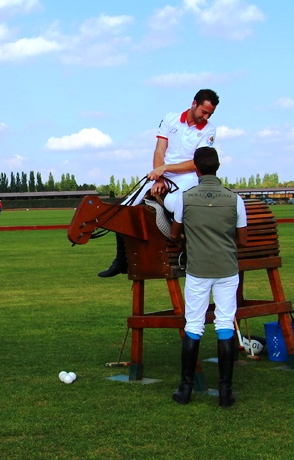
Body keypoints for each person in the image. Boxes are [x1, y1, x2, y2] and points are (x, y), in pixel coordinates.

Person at [99, 89, 219, 278]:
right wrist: (160, 176)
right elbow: (159, 149)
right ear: (194, 104)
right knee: (123, 209)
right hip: (162, 172)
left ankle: (182, 253)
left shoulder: (209, 130)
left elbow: (198, 163)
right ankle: (121, 261)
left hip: (187, 176)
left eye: (209, 114)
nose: (206, 117)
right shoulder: (170, 119)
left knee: (176, 205)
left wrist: (164, 169)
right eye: (204, 112)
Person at [168, 147, 247, 407]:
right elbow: (242, 240)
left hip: (198, 271)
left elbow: (174, 233)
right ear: (218, 167)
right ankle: (225, 393)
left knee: (193, 325)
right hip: (226, 269)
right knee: (224, 325)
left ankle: (185, 390)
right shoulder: (235, 199)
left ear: (197, 170)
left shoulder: (185, 197)